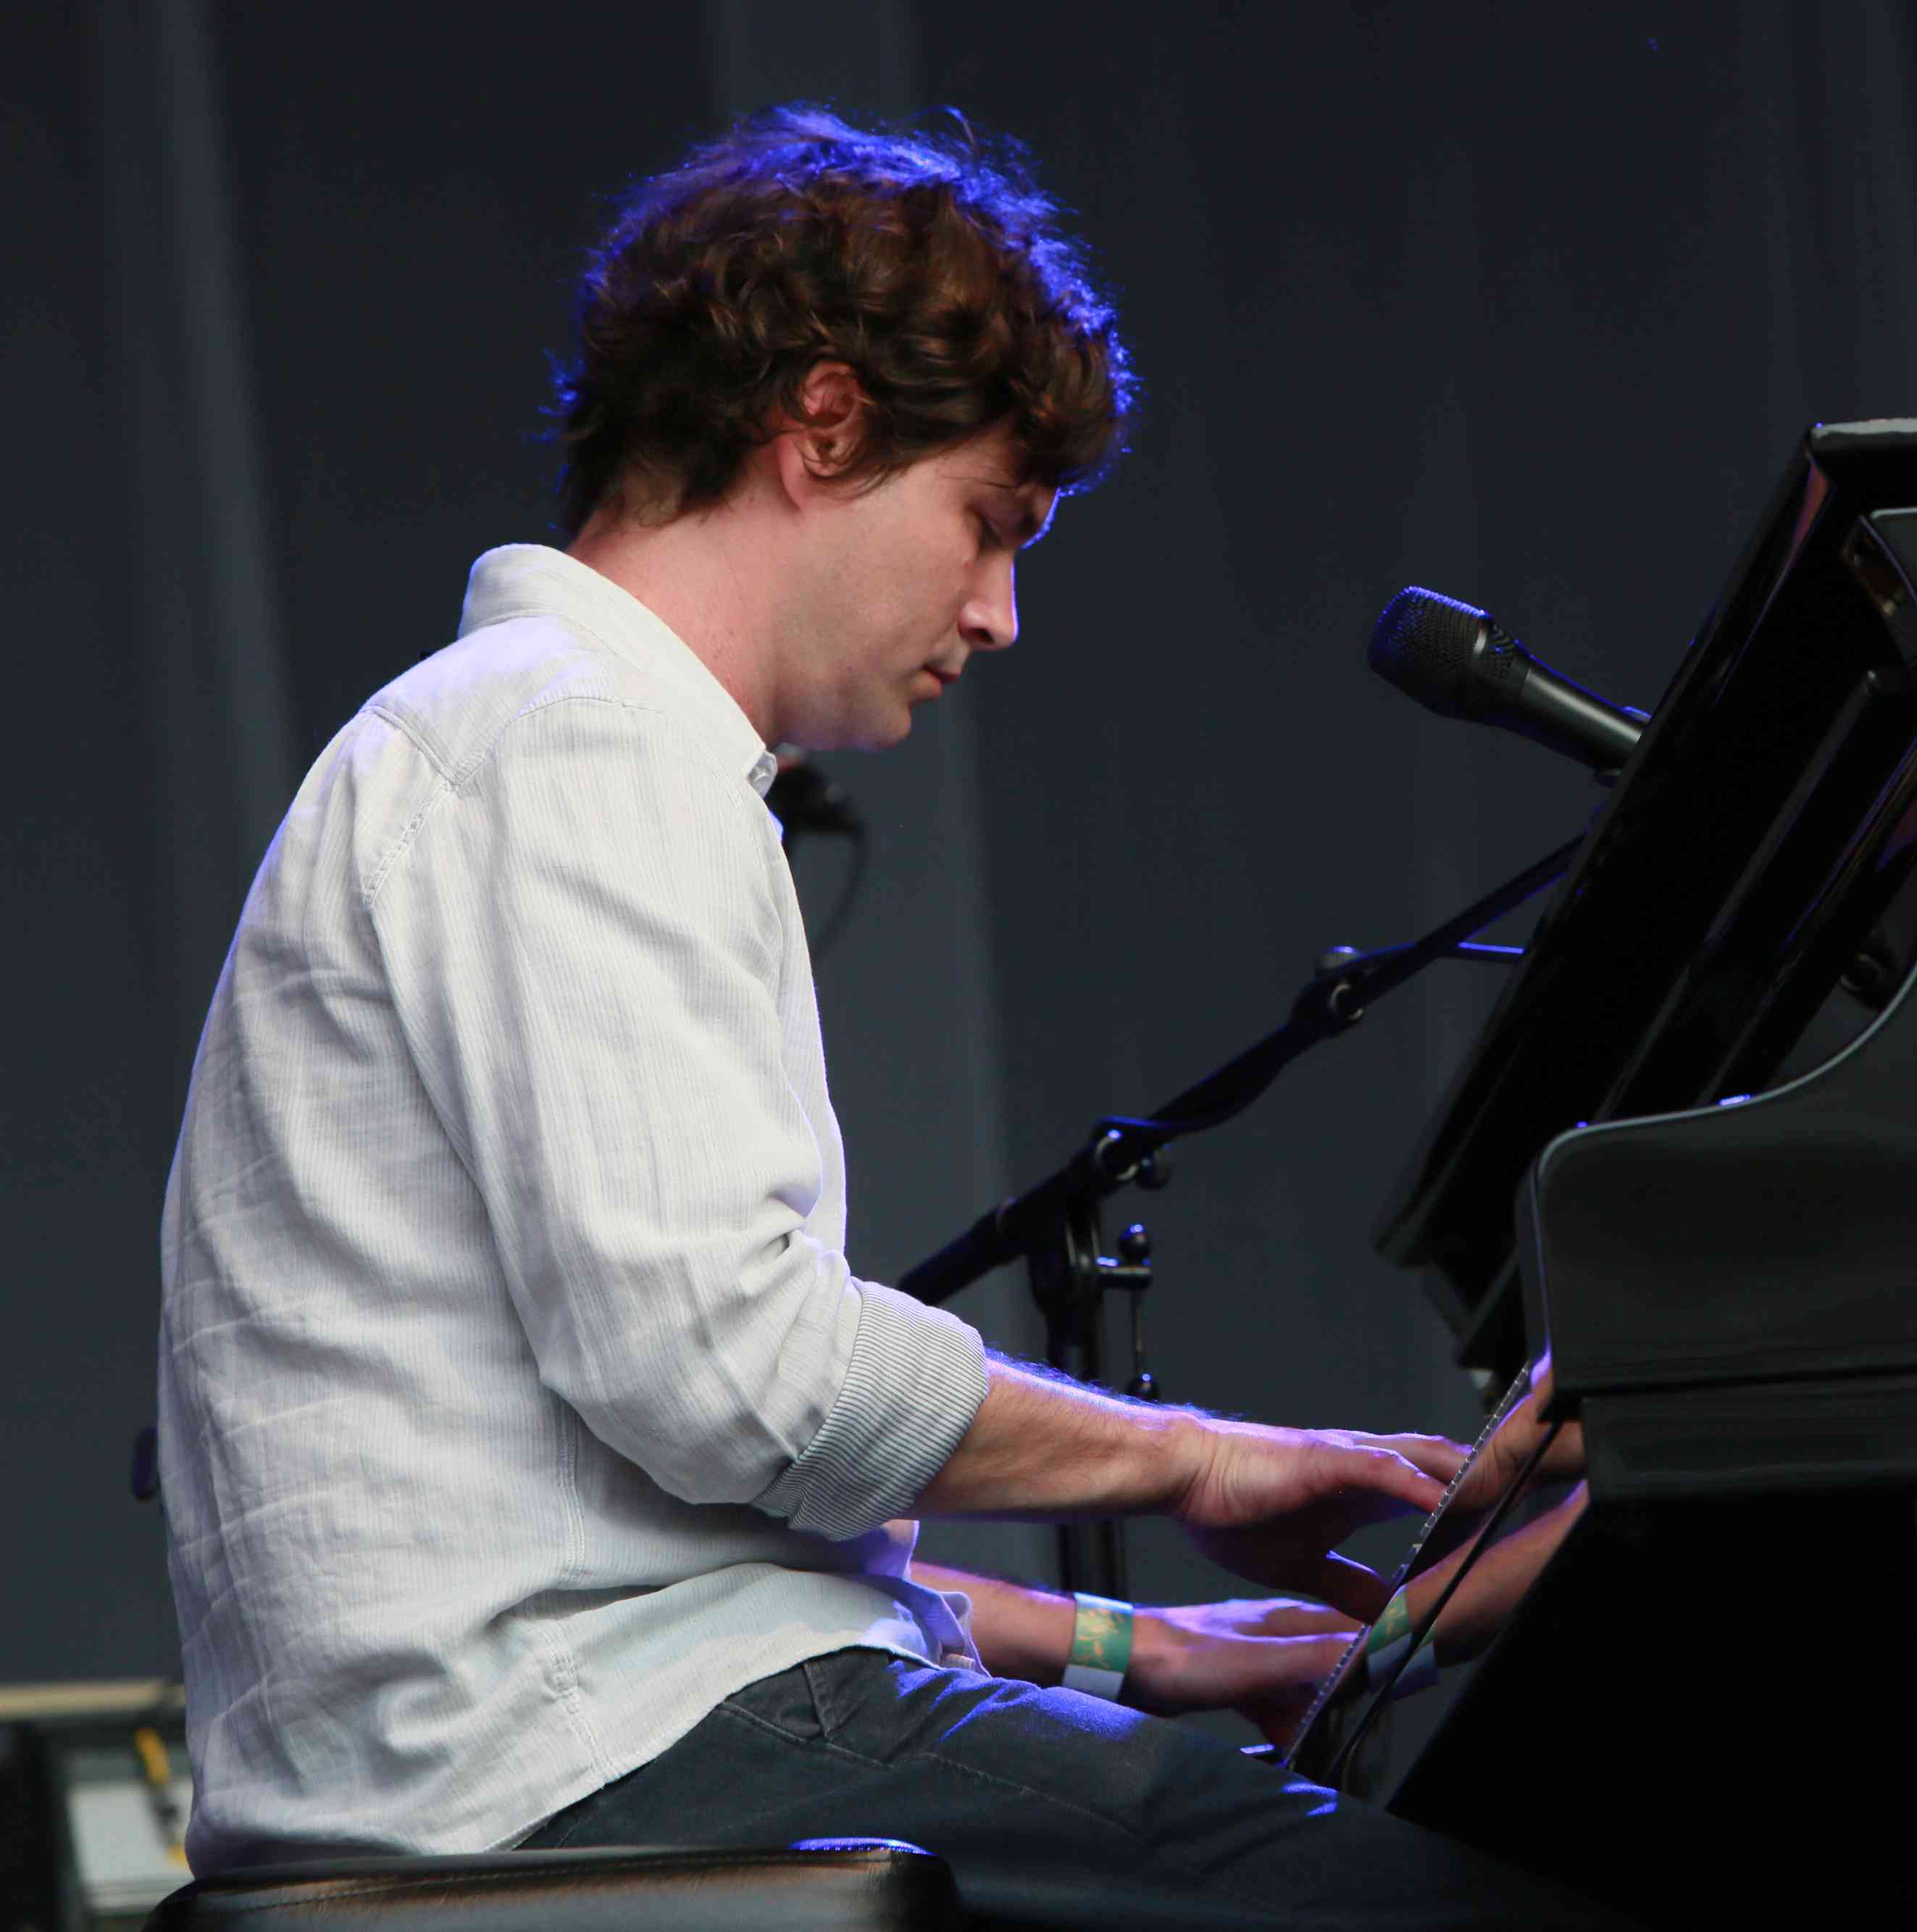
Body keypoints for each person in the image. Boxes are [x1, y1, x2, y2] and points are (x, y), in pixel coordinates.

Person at [154, 106, 1621, 1928]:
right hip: (574, 1765)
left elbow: (636, 1513)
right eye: (989, 525)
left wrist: (1138, 1642)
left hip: (574, 1731)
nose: (999, 613)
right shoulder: (577, 739)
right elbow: (733, 1380)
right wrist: (1200, 1458)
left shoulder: (520, 741)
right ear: (825, 424)